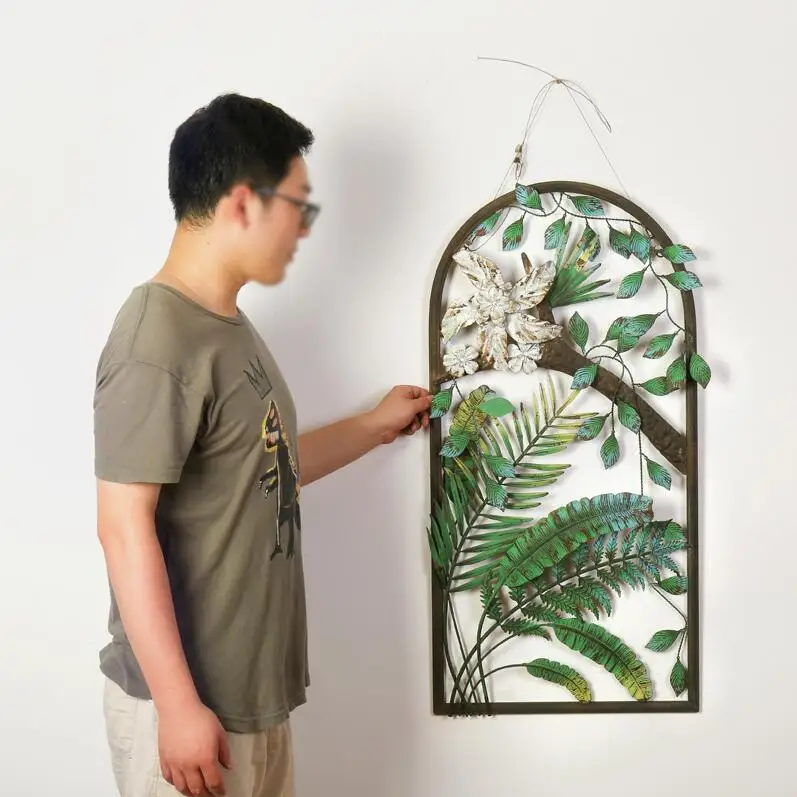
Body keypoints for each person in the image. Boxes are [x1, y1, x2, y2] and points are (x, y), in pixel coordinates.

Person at [93, 93, 432, 797]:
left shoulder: (226, 327)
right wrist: (178, 707)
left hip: (249, 699)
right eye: (298, 206)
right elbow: (122, 527)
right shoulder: (157, 337)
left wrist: (374, 425)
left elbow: (261, 469)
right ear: (245, 202)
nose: (303, 229)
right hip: (191, 711)